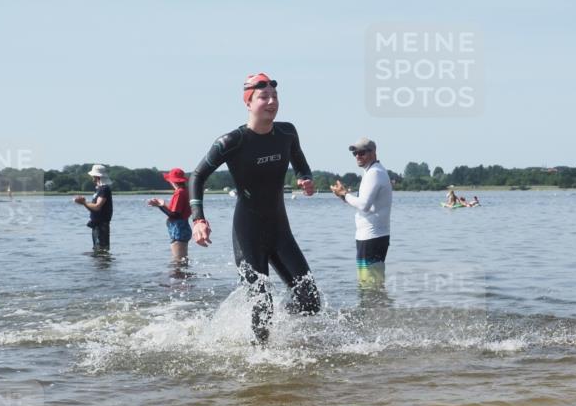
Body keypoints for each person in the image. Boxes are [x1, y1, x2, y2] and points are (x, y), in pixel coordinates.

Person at [189, 73, 321, 344]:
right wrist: (198, 219)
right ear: (248, 102)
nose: (271, 101)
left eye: (275, 96)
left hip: (280, 230)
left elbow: (300, 162)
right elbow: (197, 176)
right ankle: (258, 355)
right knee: (262, 303)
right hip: (248, 230)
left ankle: (281, 329)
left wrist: (304, 178)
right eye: (264, 97)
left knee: (310, 299)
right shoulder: (232, 141)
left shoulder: (287, 132)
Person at [330, 138, 393, 287]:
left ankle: (373, 310)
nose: (358, 156)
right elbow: (365, 204)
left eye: (362, 152)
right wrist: (344, 196)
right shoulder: (372, 171)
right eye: (355, 153)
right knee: (369, 285)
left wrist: (345, 195)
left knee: (370, 286)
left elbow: (364, 205)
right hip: (371, 236)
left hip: (372, 237)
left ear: (373, 153)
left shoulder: (374, 173)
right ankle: (374, 309)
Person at [147, 167, 192, 262]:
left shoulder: (179, 193)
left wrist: (160, 205)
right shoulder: (186, 191)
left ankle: (179, 277)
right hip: (183, 228)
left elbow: (174, 215)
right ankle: (185, 276)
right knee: (182, 261)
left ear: (172, 181)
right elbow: (177, 213)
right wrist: (162, 205)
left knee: (178, 262)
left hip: (178, 230)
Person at [73, 164, 113, 251]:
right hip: (96, 225)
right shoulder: (98, 189)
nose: (92, 179)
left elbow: (97, 207)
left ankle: (104, 264)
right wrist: (83, 203)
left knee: (101, 251)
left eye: (93, 176)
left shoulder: (104, 189)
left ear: (98, 177)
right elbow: (93, 208)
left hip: (101, 225)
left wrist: (84, 202)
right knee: (97, 251)